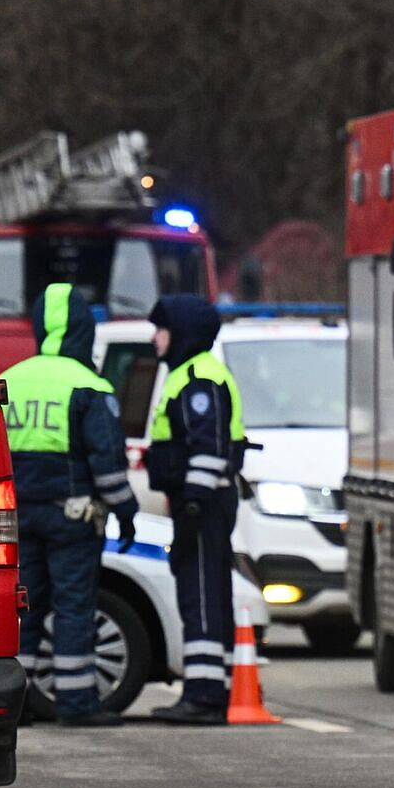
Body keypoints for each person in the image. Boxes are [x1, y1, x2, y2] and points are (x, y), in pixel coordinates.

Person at [3, 283, 137, 727]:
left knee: (25, 605)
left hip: (16, 516)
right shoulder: (88, 385)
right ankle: (77, 703)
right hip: (72, 517)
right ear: (83, 330)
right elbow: (108, 464)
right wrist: (126, 512)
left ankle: (14, 704)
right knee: (75, 605)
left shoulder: (11, 379)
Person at [143, 294, 245, 725]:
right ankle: (209, 690)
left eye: (161, 330)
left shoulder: (199, 379)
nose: (155, 338)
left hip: (201, 504)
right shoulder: (190, 375)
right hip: (199, 502)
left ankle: (204, 696)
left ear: (181, 333)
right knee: (204, 593)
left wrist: (192, 503)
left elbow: (208, 448)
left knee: (200, 596)